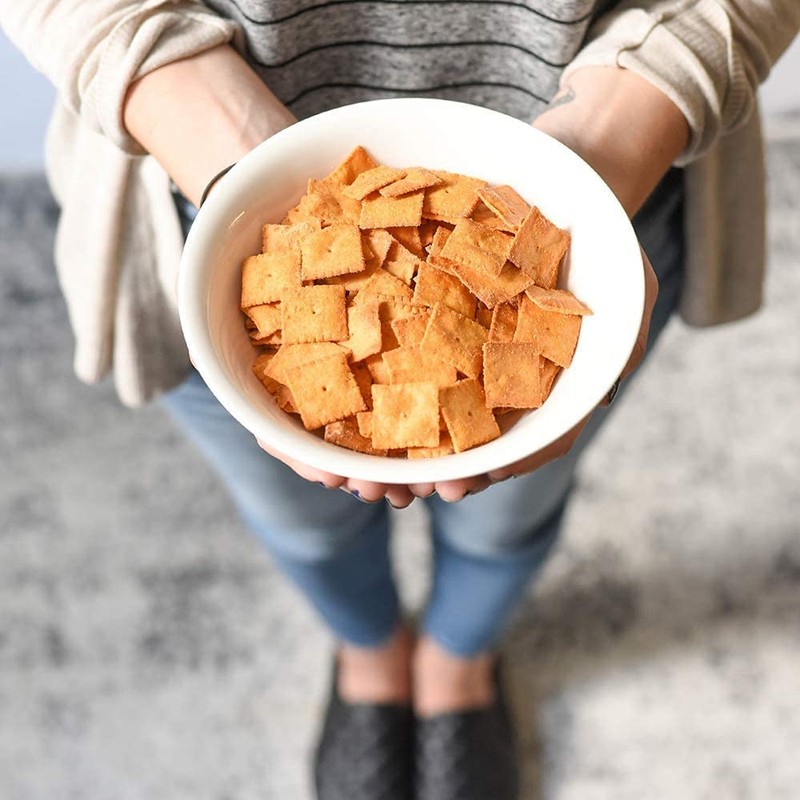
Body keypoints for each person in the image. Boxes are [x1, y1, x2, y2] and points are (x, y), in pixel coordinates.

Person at [1, 2, 797, 798]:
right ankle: (370, 652)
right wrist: (235, 156)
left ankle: (458, 661)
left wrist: (605, 145)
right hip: (195, 197)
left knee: (509, 520)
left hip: (605, 199)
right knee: (301, 524)